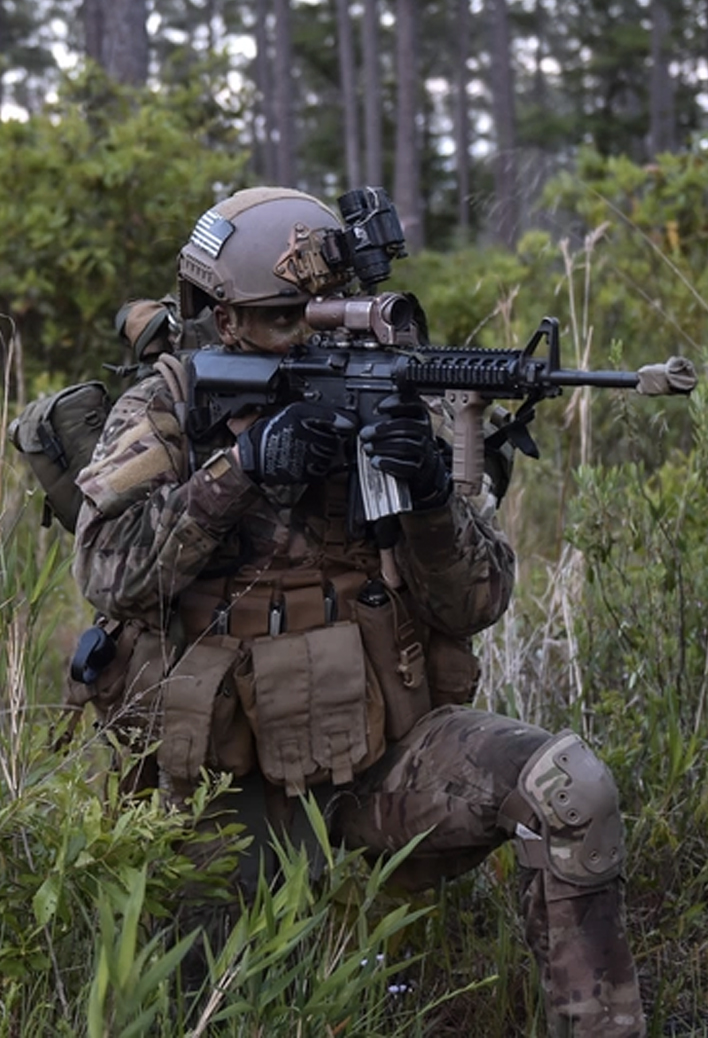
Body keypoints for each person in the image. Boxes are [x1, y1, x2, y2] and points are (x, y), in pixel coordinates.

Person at [70, 188, 644, 1036]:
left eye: (334, 313)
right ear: (225, 322)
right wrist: (239, 471)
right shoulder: (169, 403)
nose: (318, 334)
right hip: (223, 789)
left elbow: (478, 602)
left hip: (380, 763)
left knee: (568, 790)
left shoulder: (396, 392)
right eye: (286, 318)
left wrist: (427, 499)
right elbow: (107, 573)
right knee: (235, 1005)